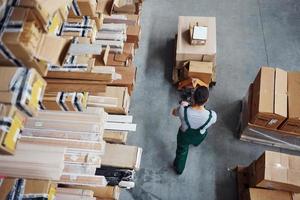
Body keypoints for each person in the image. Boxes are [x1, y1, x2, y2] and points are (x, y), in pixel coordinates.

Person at [172, 86, 217, 175]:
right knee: (198, 138)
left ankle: (179, 169)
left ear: (193, 97)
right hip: (199, 136)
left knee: (181, 152)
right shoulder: (212, 116)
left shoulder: (183, 110)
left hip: (184, 136)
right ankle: (195, 144)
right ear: (207, 100)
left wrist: (183, 105)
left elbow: (173, 112)